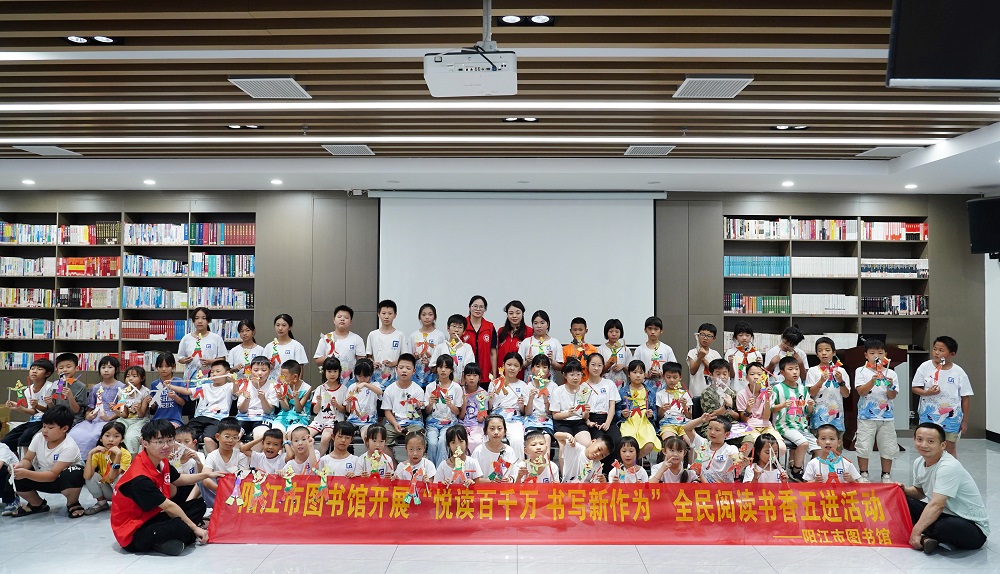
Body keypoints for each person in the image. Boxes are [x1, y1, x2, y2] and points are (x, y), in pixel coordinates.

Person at [111, 419, 223, 556]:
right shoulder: (139, 478)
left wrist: (206, 475)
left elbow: (178, 479)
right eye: (159, 442)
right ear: (145, 443)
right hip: (133, 532)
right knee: (180, 526)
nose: (166, 446)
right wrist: (195, 528)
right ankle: (169, 540)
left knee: (197, 505)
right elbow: (169, 506)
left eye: (170, 440)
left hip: (152, 515)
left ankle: (171, 540)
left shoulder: (160, 459)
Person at [901, 422, 989, 553]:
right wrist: (903, 491)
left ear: (942, 445)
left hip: (971, 527)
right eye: (919, 439)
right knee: (903, 502)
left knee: (946, 526)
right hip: (944, 514)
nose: (923, 445)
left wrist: (916, 532)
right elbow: (920, 492)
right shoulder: (918, 462)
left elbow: (937, 505)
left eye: (930, 441)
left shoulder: (948, 466)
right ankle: (926, 538)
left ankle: (920, 534)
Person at [10, 406, 85, 518]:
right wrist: (19, 466)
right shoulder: (38, 437)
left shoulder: (69, 447)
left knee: (74, 474)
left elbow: (53, 475)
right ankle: (36, 504)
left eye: (50, 427)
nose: (45, 430)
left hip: (60, 480)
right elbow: (28, 459)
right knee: (15, 473)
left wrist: (26, 474)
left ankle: (72, 503)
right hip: (41, 475)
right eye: (44, 426)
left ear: (64, 428)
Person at [912, 336, 973, 457]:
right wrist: (927, 393)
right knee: (927, 446)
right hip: (928, 416)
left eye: (941, 350)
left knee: (949, 447)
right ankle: (929, 468)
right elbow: (915, 388)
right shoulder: (925, 366)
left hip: (951, 418)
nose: (936, 353)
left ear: (952, 354)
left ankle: (950, 469)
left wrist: (964, 421)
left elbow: (965, 397)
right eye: (935, 349)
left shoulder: (958, 372)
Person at [855, 338, 899, 483]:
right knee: (864, 445)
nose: (876, 356)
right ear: (866, 355)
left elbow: (892, 396)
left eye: (880, 353)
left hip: (886, 417)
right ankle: (864, 473)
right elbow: (861, 391)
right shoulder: (861, 371)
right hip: (866, 417)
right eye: (872, 353)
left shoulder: (891, 373)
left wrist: (890, 385)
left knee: (887, 446)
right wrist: (872, 381)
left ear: (885, 355)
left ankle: (886, 475)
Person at [167, 359, 236, 452]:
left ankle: (212, 460)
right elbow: (187, 391)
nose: (214, 374)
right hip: (200, 417)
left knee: (208, 439)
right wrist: (171, 386)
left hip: (217, 419)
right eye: (212, 372)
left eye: (218, 371)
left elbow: (236, 392)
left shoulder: (230, 386)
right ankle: (193, 458)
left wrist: (234, 382)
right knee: (185, 437)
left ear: (227, 373)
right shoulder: (205, 386)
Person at [771, 355, 817, 482]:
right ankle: (796, 471)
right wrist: (782, 405)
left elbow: (807, 412)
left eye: (797, 368)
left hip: (802, 427)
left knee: (819, 448)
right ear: (782, 372)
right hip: (784, 426)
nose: (795, 372)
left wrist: (810, 406)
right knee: (804, 443)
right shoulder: (777, 388)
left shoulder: (803, 389)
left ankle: (812, 473)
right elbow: (770, 408)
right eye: (790, 369)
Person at [68, 355, 124, 454]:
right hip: (95, 417)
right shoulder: (96, 388)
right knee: (74, 433)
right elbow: (90, 407)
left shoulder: (121, 387)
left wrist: (108, 418)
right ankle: (74, 457)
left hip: (112, 418)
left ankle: (90, 457)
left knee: (94, 435)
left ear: (116, 370)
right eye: (103, 367)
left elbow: (122, 409)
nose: (106, 370)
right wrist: (88, 416)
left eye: (110, 367)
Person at [736, 362, 786, 459]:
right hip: (750, 427)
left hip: (766, 426)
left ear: (764, 377)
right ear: (747, 377)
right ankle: (758, 465)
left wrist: (767, 399)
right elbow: (744, 420)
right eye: (752, 374)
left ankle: (768, 464)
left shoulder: (767, 392)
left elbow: (767, 417)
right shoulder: (741, 394)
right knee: (760, 447)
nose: (756, 377)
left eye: (759, 374)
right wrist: (748, 408)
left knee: (781, 447)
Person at [2, 358, 53, 452]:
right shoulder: (27, 390)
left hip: (46, 421)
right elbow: (34, 411)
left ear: (47, 374)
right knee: (7, 440)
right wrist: (19, 407)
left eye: (39, 369)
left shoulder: (50, 388)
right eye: (32, 368)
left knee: (24, 439)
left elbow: (52, 411)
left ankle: (26, 460)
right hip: (34, 421)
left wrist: (37, 406)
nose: (34, 371)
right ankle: (13, 459)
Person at [83, 421, 131, 515]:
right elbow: (87, 476)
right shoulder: (98, 453)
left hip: (121, 492)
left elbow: (113, 477)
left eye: (116, 436)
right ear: (101, 438)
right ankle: (102, 503)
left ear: (122, 439)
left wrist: (118, 455)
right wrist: (90, 454)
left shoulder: (125, 454)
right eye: (107, 436)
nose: (111, 440)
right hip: (108, 490)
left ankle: (122, 503)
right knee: (93, 476)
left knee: (119, 476)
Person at [200, 417, 249, 508]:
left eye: (235, 437)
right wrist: (222, 491)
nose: (230, 440)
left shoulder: (241, 456)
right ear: (217, 437)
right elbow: (205, 478)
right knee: (203, 478)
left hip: (236, 493)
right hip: (218, 493)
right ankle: (216, 507)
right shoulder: (212, 456)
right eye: (227, 437)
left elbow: (245, 478)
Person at [424, 354, 464, 465]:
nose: (443, 370)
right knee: (432, 443)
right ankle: (431, 469)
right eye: (440, 367)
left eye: (446, 367)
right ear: (436, 368)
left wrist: (450, 405)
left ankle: (440, 470)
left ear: (451, 370)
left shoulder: (456, 388)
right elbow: (427, 411)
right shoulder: (430, 387)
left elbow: (457, 412)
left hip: (449, 423)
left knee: (442, 441)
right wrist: (430, 404)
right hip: (433, 423)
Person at [313, 305, 366, 385]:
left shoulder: (357, 339)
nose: (342, 319)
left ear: (350, 322)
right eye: (339, 317)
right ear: (334, 320)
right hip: (330, 382)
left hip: (351, 382)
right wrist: (330, 358)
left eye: (346, 317)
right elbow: (318, 361)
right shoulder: (326, 338)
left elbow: (362, 361)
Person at [489, 352, 529, 458]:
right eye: (509, 364)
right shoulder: (494, 383)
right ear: (503, 365)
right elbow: (489, 408)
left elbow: (523, 411)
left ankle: (518, 466)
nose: (512, 368)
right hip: (496, 417)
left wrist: (521, 405)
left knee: (517, 440)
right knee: (490, 438)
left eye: (516, 365)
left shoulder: (523, 385)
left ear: (520, 368)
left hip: (514, 418)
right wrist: (490, 400)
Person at [806, 337, 850, 433]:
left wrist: (840, 381)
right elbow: (811, 393)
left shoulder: (841, 371)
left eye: (827, 350)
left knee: (836, 441)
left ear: (834, 352)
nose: (824, 353)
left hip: (837, 418)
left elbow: (846, 395)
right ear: (817, 354)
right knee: (818, 441)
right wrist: (821, 381)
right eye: (820, 351)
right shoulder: (812, 371)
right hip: (818, 417)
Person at [550, 359, 594, 453]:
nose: (575, 378)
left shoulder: (585, 391)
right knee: (565, 447)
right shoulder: (558, 391)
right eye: (572, 374)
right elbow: (555, 415)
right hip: (562, 422)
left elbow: (585, 417)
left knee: (587, 444)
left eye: (578, 374)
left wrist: (586, 412)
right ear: (565, 375)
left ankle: (584, 463)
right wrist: (568, 414)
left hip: (579, 422)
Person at [617, 360, 660, 458]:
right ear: (628, 374)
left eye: (641, 373)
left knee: (649, 443)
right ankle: (632, 462)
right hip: (628, 422)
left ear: (645, 375)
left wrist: (651, 415)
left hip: (645, 422)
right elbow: (616, 411)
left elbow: (655, 412)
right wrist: (622, 414)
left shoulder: (651, 392)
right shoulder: (622, 392)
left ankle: (632, 460)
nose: (638, 375)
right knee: (628, 444)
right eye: (634, 372)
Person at [382, 353, 425, 447]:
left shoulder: (418, 390)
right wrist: (395, 423)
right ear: (396, 369)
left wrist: (418, 408)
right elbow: (387, 411)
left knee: (418, 439)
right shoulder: (389, 389)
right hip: (394, 422)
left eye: (408, 368)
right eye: (401, 367)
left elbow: (418, 413)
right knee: (382, 439)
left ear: (414, 371)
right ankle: (391, 457)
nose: (404, 371)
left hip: (413, 423)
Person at [366, 300, 411, 389]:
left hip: (395, 377)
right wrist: (372, 363)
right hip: (376, 377)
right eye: (383, 313)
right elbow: (368, 356)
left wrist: (393, 363)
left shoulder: (400, 335)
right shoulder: (373, 334)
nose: (386, 317)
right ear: (378, 314)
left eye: (390, 313)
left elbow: (404, 358)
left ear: (395, 315)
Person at [684, 413, 740, 484]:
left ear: (727, 434)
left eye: (717, 430)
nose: (712, 432)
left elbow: (736, 458)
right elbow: (687, 428)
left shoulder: (731, 449)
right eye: (710, 428)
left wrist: (739, 460)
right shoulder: (702, 444)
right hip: (704, 486)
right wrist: (701, 420)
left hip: (724, 488)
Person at [308, 356, 348, 455]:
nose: (332, 374)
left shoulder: (343, 389)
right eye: (329, 371)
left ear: (339, 372)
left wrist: (337, 405)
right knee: (305, 436)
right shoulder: (320, 388)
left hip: (334, 422)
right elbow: (315, 411)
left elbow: (345, 410)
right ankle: (307, 458)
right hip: (319, 421)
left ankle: (319, 459)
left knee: (326, 438)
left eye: (335, 371)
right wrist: (318, 402)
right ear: (324, 372)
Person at [177, 307, 228, 383]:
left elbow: (222, 359)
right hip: (190, 378)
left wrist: (211, 361)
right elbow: (180, 358)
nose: (200, 321)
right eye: (197, 318)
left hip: (210, 378)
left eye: (203, 318)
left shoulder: (216, 338)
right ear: (193, 321)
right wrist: (184, 360)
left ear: (208, 320)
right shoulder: (186, 338)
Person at [236, 356, 276, 445]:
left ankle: (252, 453)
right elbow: (242, 410)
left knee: (260, 435)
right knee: (234, 435)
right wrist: (247, 400)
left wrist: (263, 399)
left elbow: (269, 411)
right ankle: (243, 452)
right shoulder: (245, 385)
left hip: (264, 417)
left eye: (264, 370)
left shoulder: (273, 386)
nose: (260, 373)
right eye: (256, 370)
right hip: (244, 417)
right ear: (250, 371)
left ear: (269, 371)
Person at [631, 316, 677, 394]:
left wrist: (660, 373)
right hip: (644, 387)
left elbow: (674, 369)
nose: (652, 332)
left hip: (664, 386)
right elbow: (633, 370)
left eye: (656, 329)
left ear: (661, 331)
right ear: (645, 330)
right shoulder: (640, 350)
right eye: (650, 329)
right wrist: (646, 375)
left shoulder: (667, 349)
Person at [698, 359, 740, 437]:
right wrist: (726, 407)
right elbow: (711, 416)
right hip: (712, 425)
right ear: (711, 375)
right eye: (718, 374)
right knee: (718, 438)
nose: (721, 377)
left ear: (729, 374)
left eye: (724, 374)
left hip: (731, 424)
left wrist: (730, 411)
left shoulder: (733, 393)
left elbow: (738, 416)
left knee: (748, 438)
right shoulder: (707, 393)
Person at [408, 303, 447, 389]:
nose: (427, 317)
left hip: (435, 378)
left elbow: (444, 358)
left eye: (430, 314)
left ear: (435, 317)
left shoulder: (440, 335)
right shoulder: (413, 336)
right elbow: (408, 359)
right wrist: (415, 358)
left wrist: (430, 363)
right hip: (416, 379)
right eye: (423, 315)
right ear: (419, 317)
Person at [687, 323, 722, 414]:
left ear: (713, 338)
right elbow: (692, 371)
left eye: (709, 336)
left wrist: (703, 358)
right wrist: (699, 358)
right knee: (697, 416)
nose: (705, 338)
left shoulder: (715, 354)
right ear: (698, 336)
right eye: (702, 335)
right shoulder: (692, 352)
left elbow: (716, 371)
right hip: (696, 391)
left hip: (712, 393)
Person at [472, 415, 519, 483]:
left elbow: (514, 475)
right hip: (484, 489)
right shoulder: (479, 451)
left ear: (505, 431)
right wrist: (489, 481)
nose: (496, 432)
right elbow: (472, 479)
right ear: (485, 431)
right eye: (492, 428)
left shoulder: (509, 451)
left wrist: (509, 480)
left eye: (499, 428)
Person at [116, 365, 151, 453]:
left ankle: (133, 458)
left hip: (140, 421)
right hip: (125, 419)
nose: (130, 378)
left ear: (142, 378)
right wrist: (115, 409)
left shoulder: (145, 392)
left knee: (131, 437)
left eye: (134, 376)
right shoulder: (122, 392)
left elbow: (141, 415)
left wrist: (138, 409)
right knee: (114, 431)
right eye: (128, 376)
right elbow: (124, 414)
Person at [269, 360, 312, 432]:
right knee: (277, 431)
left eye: (284, 376)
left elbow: (299, 410)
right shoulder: (283, 386)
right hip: (284, 416)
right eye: (281, 375)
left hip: (300, 417)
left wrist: (296, 399)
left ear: (295, 376)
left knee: (292, 432)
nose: (281, 378)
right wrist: (281, 399)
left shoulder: (306, 388)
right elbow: (286, 408)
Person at [518, 310, 565, 376]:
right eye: (535, 323)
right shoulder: (526, 342)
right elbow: (518, 365)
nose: (539, 326)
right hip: (530, 381)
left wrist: (552, 361)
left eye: (542, 323)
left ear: (547, 324)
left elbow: (561, 367)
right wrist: (527, 362)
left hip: (549, 381)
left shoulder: (555, 342)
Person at [345, 358, 382, 441]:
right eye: (359, 376)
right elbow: (348, 410)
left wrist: (365, 384)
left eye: (365, 376)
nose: (362, 379)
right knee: (344, 434)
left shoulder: (375, 385)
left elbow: (380, 392)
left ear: (371, 374)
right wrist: (348, 403)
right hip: (352, 421)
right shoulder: (352, 387)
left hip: (369, 422)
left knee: (365, 436)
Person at [266, 314, 309, 384]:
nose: (280, 328)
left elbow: (300, 370)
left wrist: (296, 386)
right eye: (277, 325)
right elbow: (263, 368)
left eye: (284, 325)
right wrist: (270, 366)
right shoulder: (269, 346)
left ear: (290, 327)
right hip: (272, 385)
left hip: (289, 385)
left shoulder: (296, 346)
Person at [47, 353, 88, 426]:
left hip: (74, 420)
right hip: (57, 419)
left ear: (76, 368)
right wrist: (49, 403)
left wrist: (70, 397)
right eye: (61, 368)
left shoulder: (81, 387)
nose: (65, 370)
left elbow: (76, 411)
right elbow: (53, 408)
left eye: (68, 367)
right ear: (57, 371)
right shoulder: (56, 384)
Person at [462, 295, 497, 379]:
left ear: (485, 309)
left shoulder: (490, 327)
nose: (478, 309)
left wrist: (495, 373)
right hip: (466, 373)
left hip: (485, 372)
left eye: (481, 307)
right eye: (475, 306)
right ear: (470, 307)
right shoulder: (462, 325)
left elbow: (493, 353)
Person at [496, 300, 532, 381]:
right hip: (502, 374)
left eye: (518, 313)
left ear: (523, 314)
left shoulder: (529, 332)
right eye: (511, 313)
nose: (514, 316)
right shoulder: (501, 331)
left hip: (519, 375)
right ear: (507, 314)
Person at [724, 321, 763, 393]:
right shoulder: (730, 353)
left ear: (751, 336)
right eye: (740, 335)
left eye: (747, 335)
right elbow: (731, 375)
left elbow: (760, 375)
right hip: (736, 390)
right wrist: (730, 363)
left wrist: (760, 365)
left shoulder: (756, 354)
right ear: (736, 337)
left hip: (753, 390)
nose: (744, 338)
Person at [656, 361, 692, 440]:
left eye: (675, 377)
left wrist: (684, 407)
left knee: (691, 441)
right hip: (667, 423)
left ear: (680, 377)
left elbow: (689, 416)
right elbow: (659, 417)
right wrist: (662, 410)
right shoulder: (660, 394)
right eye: (668, 377)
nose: (672, 380)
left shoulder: (685, 394)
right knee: (670, 441)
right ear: (663, 377)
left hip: (684, 423)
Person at [149, 353, 185, 428]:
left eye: (167, 366)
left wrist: (175, 396)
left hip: (174, 420)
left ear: (174, 366)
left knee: (167, 431)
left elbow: (183, 403)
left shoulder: (179, 382)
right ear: (156, 367)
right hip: (157, 420)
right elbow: (154, 407)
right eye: (160, 366)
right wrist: (151, 402)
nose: (164, 369)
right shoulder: (154, 384)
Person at [459, 364, 489, 454]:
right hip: (462, 424)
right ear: (464, 377)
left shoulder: (483, 393)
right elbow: (460, 417)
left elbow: (481, 419)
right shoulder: (460, 391)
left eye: (475, 375)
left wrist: (481, 410)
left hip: (477, 425)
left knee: (477, 442)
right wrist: (464, 403)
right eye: (468, 375)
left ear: (479, 378)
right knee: (461, 442)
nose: (471, 378)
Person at [598, 318, 631, 389]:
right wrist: (609, 364)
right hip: (605, 385)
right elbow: (598, 371)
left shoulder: (625, 349)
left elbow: (631, 369)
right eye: (611, 331)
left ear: (621, 332)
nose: (614, 334)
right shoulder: (601, 349)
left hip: (622, 385)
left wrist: (623, 366)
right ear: (606, 332)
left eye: (617, 331)